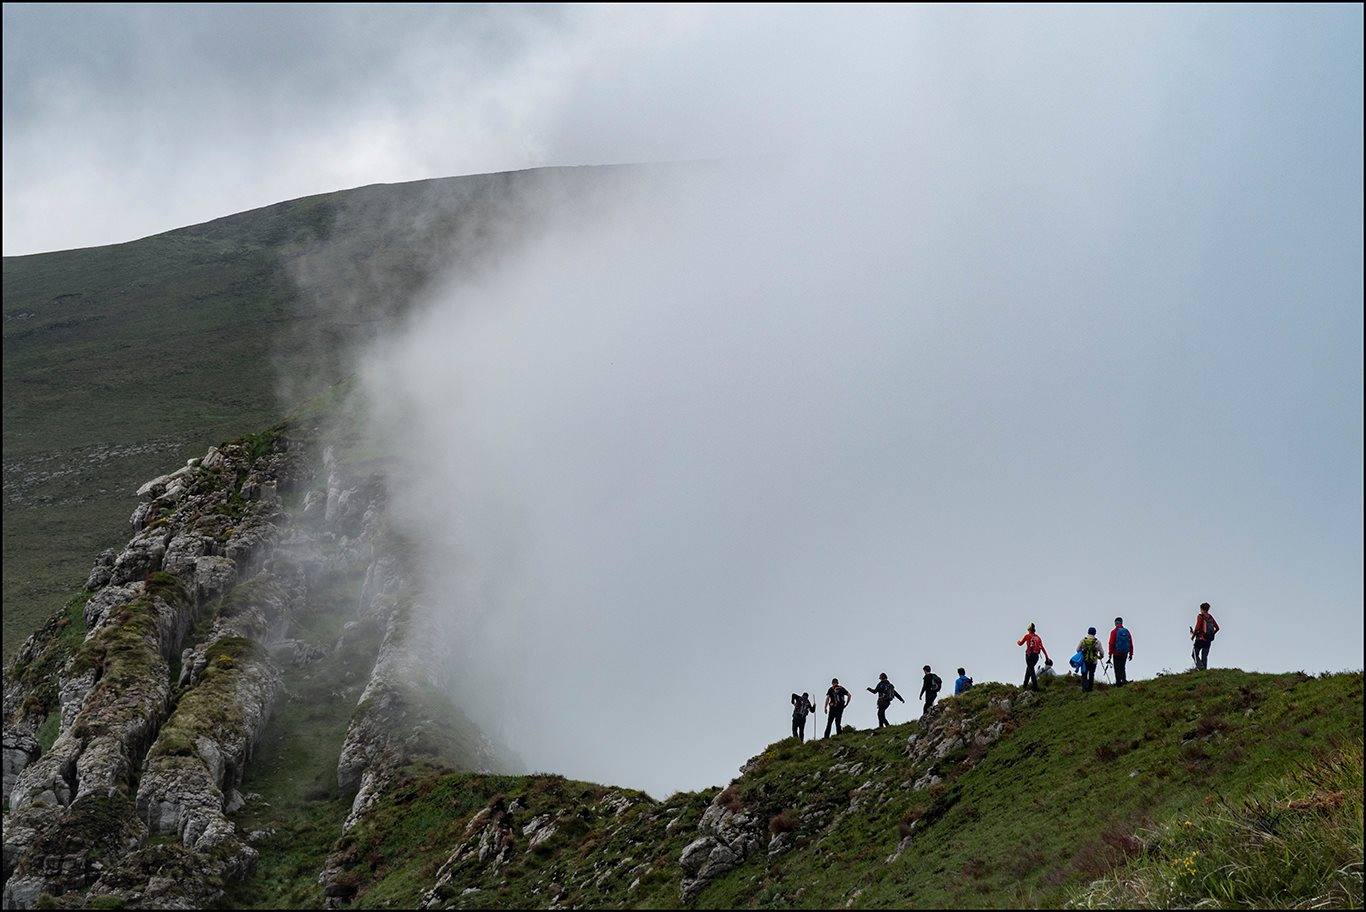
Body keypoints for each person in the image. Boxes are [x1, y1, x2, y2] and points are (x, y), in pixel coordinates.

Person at [1017, 623, 1051, 691]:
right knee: (1028, 670)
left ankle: (1035, 688)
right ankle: (1024, 686)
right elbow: (1042, 648)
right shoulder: (1038, 638)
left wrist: (1018, 642)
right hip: (1036, 657)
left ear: (1029, 629)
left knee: (1031, 671)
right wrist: (1047, 657)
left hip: (1029, 656)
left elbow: (1020, 643)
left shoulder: (1027, 636)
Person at [1191, 602, 1220, 670]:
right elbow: (1217, 628)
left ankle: (1201, 668)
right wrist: (1211, 634)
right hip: (1208, 640)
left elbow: (1197, 628)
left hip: (1200, 639)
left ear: (1201, 609)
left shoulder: (1200, 616)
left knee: (1194, 654)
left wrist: (1193, 636)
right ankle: (1204, 671)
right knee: (1204, 656)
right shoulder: (1210, 617)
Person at [1108, 617, 1134, 686]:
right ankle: (1124, 680)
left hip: (1116, 653)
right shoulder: (1126, 631)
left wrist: (1110, 654)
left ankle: (1118, 682)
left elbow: (1111, 643)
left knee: (1117, 668)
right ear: (1122, 623)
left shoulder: (1113, 632)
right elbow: (1130, 643)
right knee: (1122, 667)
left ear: (1115, 623)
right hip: (1124, 653)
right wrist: (1131, 654)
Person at [1077, 627, 1104, 692]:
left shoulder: (1083, 640)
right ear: (1095, 633)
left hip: (1084, 660)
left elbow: (1077, 649)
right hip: (1093, 661)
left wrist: (1082, 653)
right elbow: (1102, 652)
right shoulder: (1097, 641)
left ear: (1088, 632)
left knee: (1084, 674)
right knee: (1091, 674)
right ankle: (1090, 689)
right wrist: (1100, 657)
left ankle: (1084, 689)